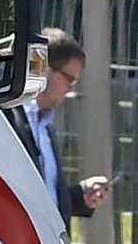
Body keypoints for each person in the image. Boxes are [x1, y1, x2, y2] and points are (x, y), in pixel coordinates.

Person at [27, 28, 111, 223]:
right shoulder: (9, 120)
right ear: (46, 69)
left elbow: (47, 198)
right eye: (70, 79)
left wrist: (79, 196)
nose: (71, 88)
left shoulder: (45, 128)